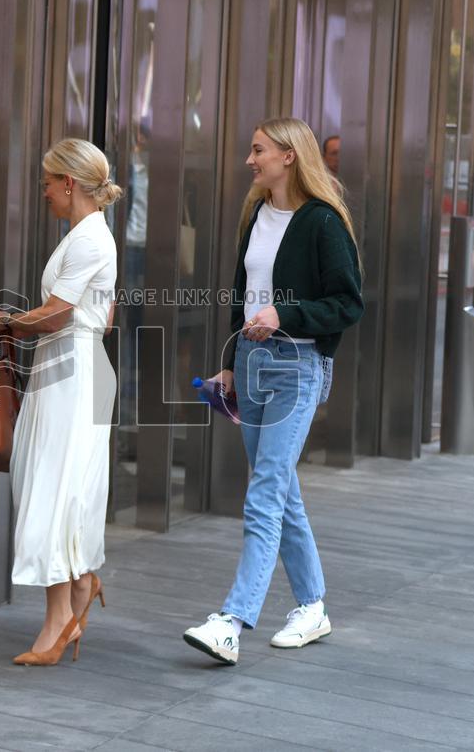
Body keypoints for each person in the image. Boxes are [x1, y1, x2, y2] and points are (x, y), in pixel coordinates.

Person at [182, 117, 363, 665]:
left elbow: (348, 303)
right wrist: (230, 366)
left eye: (257, 150)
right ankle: (312, 606)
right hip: (253, 365)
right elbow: (243, 299)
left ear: (289, 155)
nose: (249, 160)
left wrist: (288, 311)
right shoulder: (256, 215)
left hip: (296, 365)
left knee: (264, 492)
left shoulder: (322, 222)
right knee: (281, 491)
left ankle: (232, 622)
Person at [0, 138, 122, 666]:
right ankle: (80, 588)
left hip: (70, 372)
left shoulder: (89, 240)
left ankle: (60, 618)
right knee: (62, 486)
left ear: (69, 183)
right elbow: (102, 317)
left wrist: (9, 322)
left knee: (54, 488)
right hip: (71, 369)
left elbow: (60, 313)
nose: (43, 191)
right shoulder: (89, 237)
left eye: (47, 182)